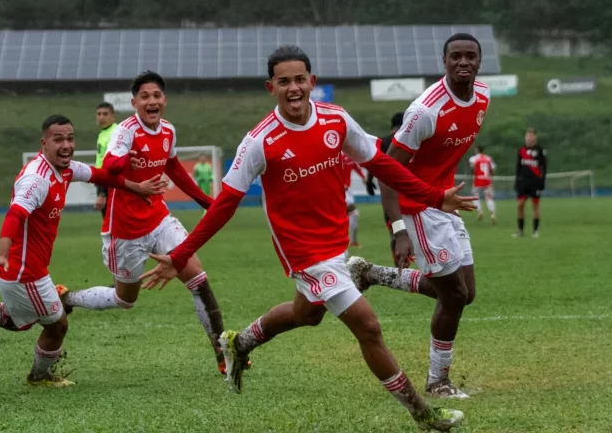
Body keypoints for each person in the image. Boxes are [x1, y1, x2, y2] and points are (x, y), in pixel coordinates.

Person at [140, 46, 474, 431]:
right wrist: (181, 255)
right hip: (303, 252)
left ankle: (238, 342)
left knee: (307, 314)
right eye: (284, 81)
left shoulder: (336, 120)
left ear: (312, 82)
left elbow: (381, 163)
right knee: (368, 326)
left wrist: (434, 197)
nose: (293, 88)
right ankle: (424, 415)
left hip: (334, 243)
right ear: (271, 87)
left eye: (300, 79)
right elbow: (224, 205)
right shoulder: (259, 141)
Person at [0, 115, 163, 386]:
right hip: (23, 271)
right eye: (58, 139)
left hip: (28, 269)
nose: (66, 145)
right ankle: (40, 376)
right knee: (57, 325)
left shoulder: (65, 169)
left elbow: (99, 174)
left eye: (70, 138)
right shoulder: (37, 178)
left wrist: (136, 187)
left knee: (15, 318)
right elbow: (14, 215)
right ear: (44, 143)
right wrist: (2, 253)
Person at [56, 71, 231, 374]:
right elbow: (110, 168)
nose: (152, 101)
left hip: (159, 218)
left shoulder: (168, 131)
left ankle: (223, 353)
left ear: (164, 100)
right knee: (125, 300)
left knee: (197, 277)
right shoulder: (124, 132)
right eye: (145, 97)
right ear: (135, 102)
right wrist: (121, 161)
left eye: (157, 96)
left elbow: (173, 166)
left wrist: (205, 201)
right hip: (125, 231)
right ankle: (68, 297)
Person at [347, 33, 490, 399]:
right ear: (443, 62)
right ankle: (437, 382)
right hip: (417, 207)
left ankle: (373, 273)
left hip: (444, 203)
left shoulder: (483, 97)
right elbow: (388, 171)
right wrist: (398, 229)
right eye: (455, 56)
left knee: (464, 293)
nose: (463, 62)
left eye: (470, 56)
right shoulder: (425, 111)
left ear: (479, 61)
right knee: (453, 294)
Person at [365, 112, 406, 252]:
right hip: (412, 192)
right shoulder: (412, 138)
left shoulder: (383, 142)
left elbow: (374, 163)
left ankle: (400, 269)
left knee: (396, 231)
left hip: (391, 195)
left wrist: (369, 182)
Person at [514, 128, 547, 238]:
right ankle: (520, 231)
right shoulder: (521, 150)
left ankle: (535, 231)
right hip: (523, 182)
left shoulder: (540, 150)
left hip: (535, 182)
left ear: (535, 137)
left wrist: (542, 182)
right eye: (527, 136)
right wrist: (516, 181)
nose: (529, 138)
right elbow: (518, 167)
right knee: (520, 205)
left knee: (535, 206)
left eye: (531, 136)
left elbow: (544, 167)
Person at [94, 102, 117, 217]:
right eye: (99, 114)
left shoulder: (115, 133)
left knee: (112, 223)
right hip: (103, 182)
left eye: (105, 114)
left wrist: (103, 193)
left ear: (113, 116)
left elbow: (112, 164)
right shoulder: (104, 133)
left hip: (110, 185)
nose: (101, 117)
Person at [341, 152, 366, 248]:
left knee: (350, 215)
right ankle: (346, 241)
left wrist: (363, 178)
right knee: (351, 213)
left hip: (347, 191)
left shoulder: (349, 157)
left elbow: (356, 168)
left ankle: (352, 241)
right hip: (340, 191)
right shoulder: (337, 157)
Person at [468, 146, 497, 224]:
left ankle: (480, 211)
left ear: (477, 150)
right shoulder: (488, 158)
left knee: (475, 196)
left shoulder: (473, 158)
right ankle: (493, 214)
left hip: (478, 180)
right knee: (489, 198)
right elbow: (493, 170)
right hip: (487, 180)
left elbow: (472, 168)